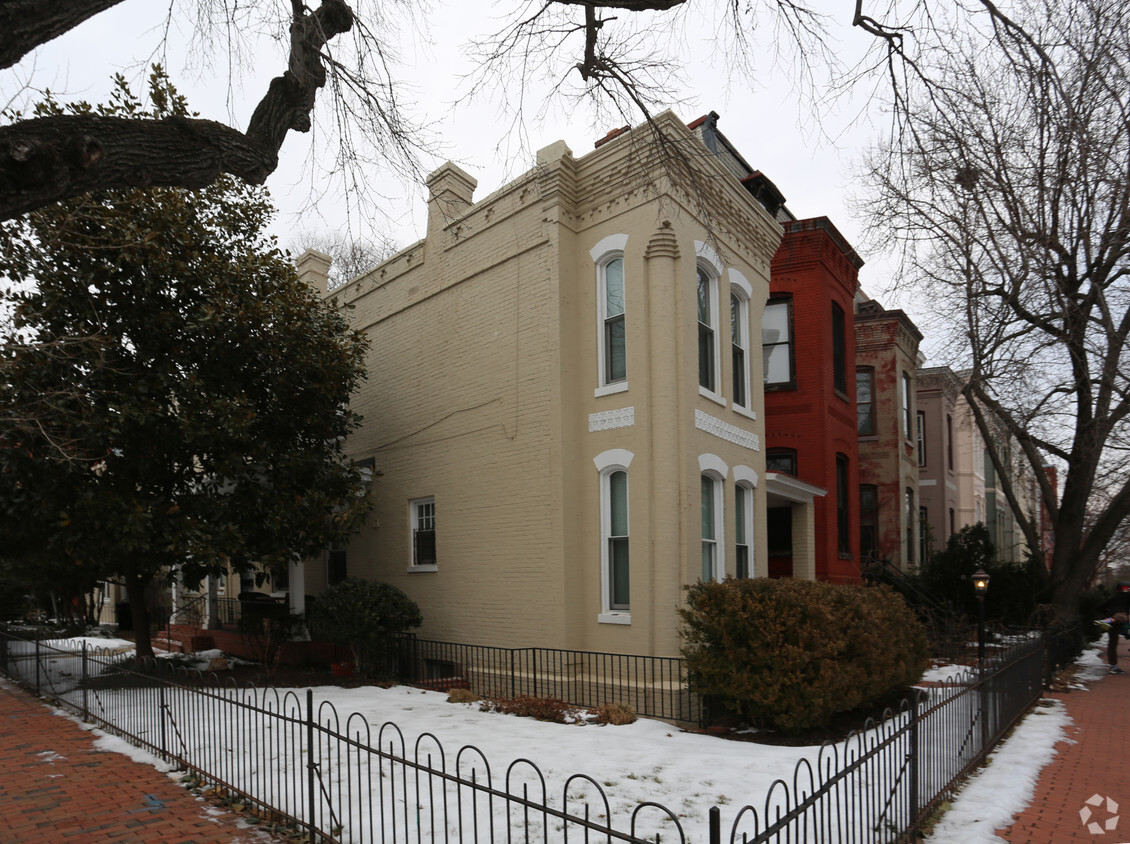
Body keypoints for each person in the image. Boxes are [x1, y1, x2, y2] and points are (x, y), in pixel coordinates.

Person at [1096, 582, 1130, 673]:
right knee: (1122, 617)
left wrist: (1107, 613)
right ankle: (1110, 620)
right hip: (1120, 618)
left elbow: (1100, 607)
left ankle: (1113, 666)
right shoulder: (1127, 595)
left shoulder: (1113, 597)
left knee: (1112, 643)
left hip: (1111, 621)